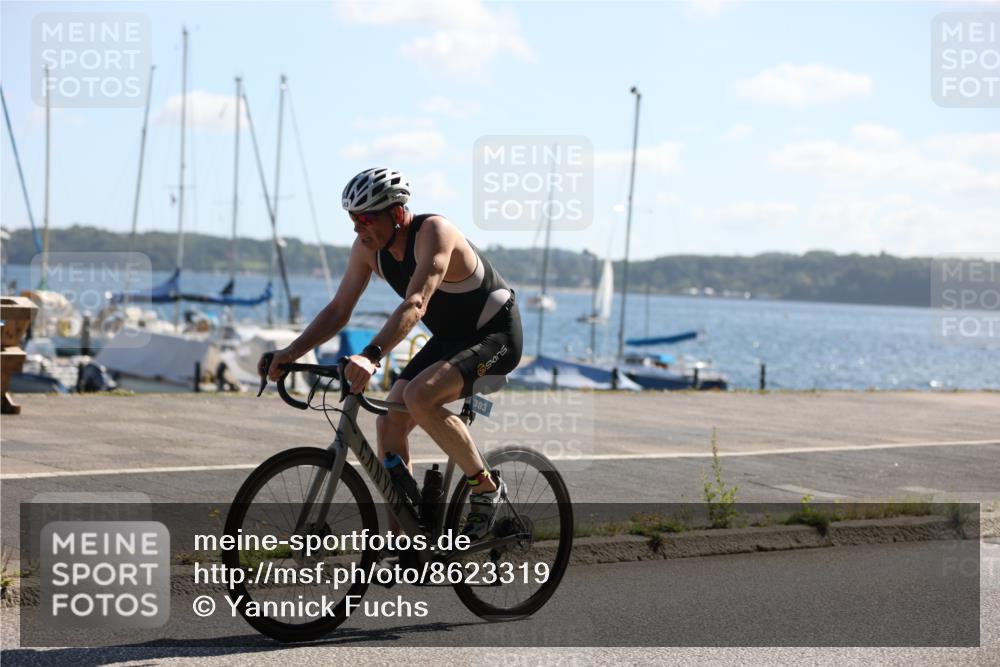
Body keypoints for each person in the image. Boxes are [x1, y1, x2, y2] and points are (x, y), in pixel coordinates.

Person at [260, 167, 523, 541]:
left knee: (419, 396)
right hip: (451, 338)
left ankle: (486, 488)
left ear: (397, 213)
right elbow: (338, 310)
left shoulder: (434, 233)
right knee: (389, 420)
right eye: (353, 219)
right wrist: (290, 351)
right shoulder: (368, 249)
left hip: (495, 336)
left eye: (365, 219)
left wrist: (371, 355)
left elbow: (417, 304)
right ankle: (406, 540)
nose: (357, 229)